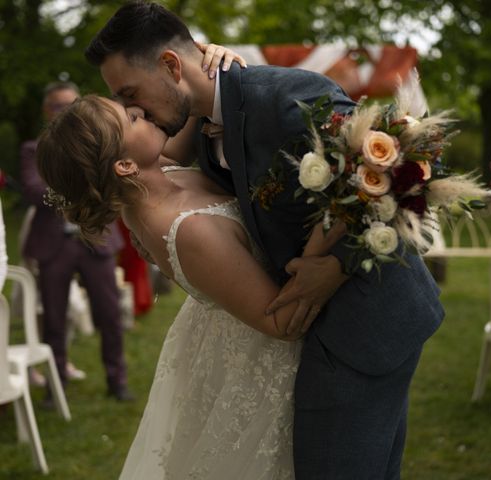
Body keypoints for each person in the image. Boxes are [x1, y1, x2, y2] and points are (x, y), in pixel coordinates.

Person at [86, 2, 445, 478]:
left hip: (366, 322)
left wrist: (332, 265)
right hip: (322, 333)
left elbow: (401, 168)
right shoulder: (198, 123)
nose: (132, 108)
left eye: (130, 92)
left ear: (171, 65)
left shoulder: (288, 96)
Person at [36, 93, 346, 478]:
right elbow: (280, 324)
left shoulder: (154, 175)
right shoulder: (186, 230)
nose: (142, 112)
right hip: (260, 354)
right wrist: (335, 267)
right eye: (131, 119)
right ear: (125, 164)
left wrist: (208, 67)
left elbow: (188, 105)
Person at [20, 81, 131, 399]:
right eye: (58, 106)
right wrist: (82, 187)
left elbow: (113, 181)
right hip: (54, 245)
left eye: (72, 104)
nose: (66, 112)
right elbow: (32, 188)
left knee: (110, 315)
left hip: (96, 240)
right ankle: (56, 387)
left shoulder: (97, 143)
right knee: (54, 319)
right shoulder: (34, 148)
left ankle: (117, 382)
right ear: (47, 110)